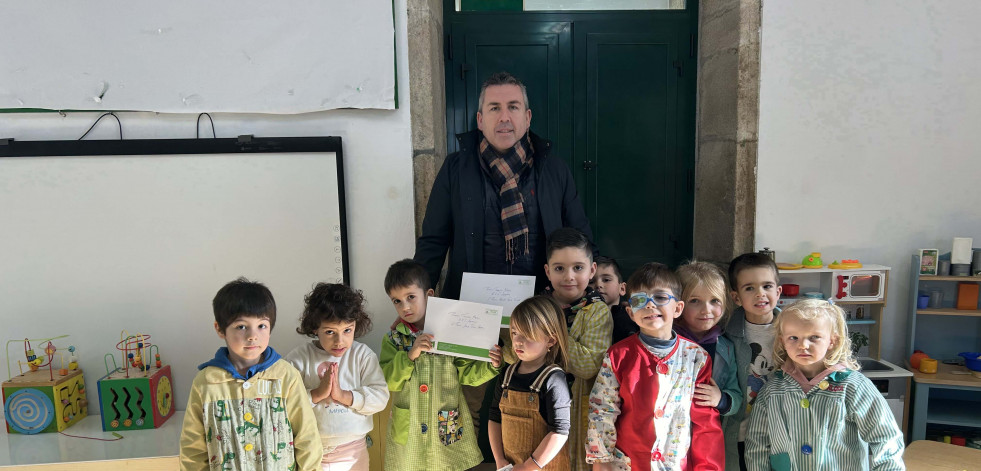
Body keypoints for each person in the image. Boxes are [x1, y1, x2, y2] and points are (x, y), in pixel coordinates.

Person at [414, 71, 594, 301]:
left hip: (542, 307)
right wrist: (414, 296)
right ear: (480, 120)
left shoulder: (554, 169)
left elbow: (580, 236)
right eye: (494, 108)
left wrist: (597, 288)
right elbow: (433, 241)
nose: (504, 117)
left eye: (513, 107)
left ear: (527, 117)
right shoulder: (455, 169)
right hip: (473, 306)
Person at [586, 262, 723, 471]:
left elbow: (706, 423)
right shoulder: (618, 356)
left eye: (660, 298)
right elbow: (602, 410)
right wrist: (601, 460)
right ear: (631, 313)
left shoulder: (697, 357)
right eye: (640, 300)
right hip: (628, 464)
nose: (650, 305)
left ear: (678, 308)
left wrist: (708, 467)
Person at [179, 277, 321, 471]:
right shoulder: (205, 382)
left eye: (262, 325)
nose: (253, 335)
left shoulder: (286, 376)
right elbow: (192, 448)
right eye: (241, 326)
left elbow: (307, 437)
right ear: (220, 329)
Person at [745, 299, 905, 470]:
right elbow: (757, 444)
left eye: (814, 337)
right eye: (793, 338)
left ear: (832, 341)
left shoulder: (854, 387)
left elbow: (886, 440)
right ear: (783, 341)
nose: (803, 345)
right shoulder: (772, 390)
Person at [379, 259, 504, 470]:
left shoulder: (449, 332)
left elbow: (467, 374)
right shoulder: (394, 339)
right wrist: (410, 356)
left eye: (411, 297)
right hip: (410, 428)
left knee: (447, 463)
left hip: (445, 421)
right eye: (397, 301)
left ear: (429, 295)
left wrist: (491, 365)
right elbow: (388, 380)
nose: (405, 306)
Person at [285, 283, 389, 471]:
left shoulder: (362, 355)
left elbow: (380, 397)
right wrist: (316, 394)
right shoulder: (298, 359)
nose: (339, 341)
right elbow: (285, 406)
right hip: (310, 450)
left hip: (353, 451)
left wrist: (344, 396)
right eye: (330, 332)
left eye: (347, 330)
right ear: (315, 328)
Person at [489, 296, 572, 471]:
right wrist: (499, 460)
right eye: (515, 333)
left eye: (527, 335)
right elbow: (494, 418)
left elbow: (560, 431)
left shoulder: (554, 379)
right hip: (510, 465)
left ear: (550, 340)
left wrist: (530, 465)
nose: (518, 341)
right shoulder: (506, 375)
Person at [676, 261, 743, 470]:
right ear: (679, 303)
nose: (707, 310)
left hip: (707, 442)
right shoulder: (669, 341)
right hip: (670, 437)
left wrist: (721, 399)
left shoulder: (725, 347)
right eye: (695, 300)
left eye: (715, 300)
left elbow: (736, 395)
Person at [723, 252, 783, 469]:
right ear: (736, 297)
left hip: (782, 433)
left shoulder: (794, 332)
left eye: (767, 286)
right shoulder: (725, 335)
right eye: (749, 288)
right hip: (742, 435)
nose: (760, 294)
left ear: (778, 292)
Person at [590, 255, 637, 344]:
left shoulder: (632, 317)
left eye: (606, 280)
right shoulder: (579, 317)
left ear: (622, 289)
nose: (598, 285)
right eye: (591, 282)